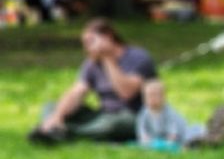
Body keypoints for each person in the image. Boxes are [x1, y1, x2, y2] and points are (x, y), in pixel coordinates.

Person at [28, 19, 158, 145]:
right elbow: (77, 92)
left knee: (113, 125)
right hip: (105, 114)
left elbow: (126, 93)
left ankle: (66, 133)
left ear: (108, 37)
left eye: (91, 42)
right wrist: (58, 116)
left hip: (134, 116)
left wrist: (108, 59)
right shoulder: (92, 63)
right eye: (85, 44)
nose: (87, 48)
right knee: (51, 106)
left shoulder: (138, 57)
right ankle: (52, 127)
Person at [136, 79, 204, 148]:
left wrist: (169, 142)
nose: (152, 99)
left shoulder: (169, 113)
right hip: (159, 138)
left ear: (163, 97)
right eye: (149, 96)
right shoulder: (144, 113)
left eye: (155, 95)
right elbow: (142, 129)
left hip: (181, 134)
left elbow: (173, 132)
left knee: (191, 135)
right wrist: (146, 140)